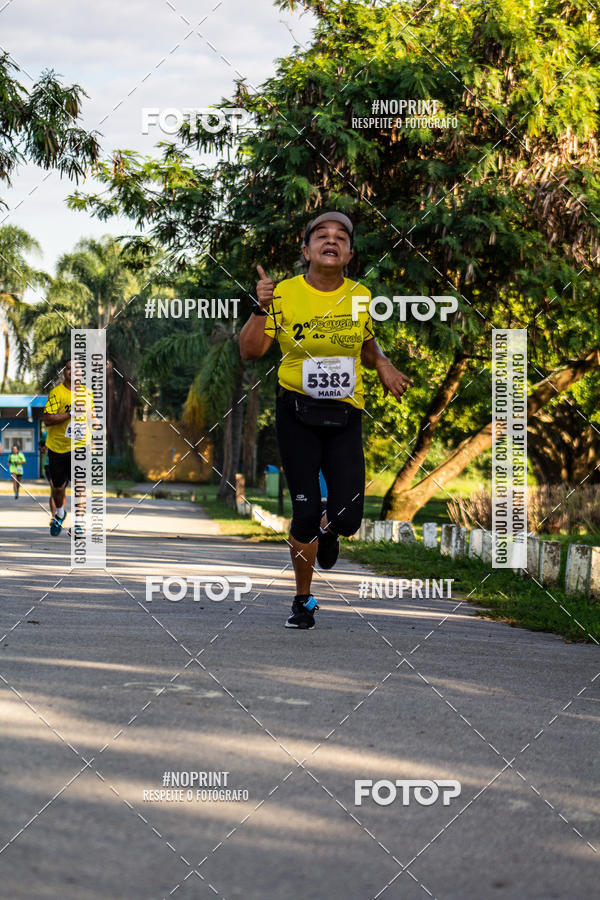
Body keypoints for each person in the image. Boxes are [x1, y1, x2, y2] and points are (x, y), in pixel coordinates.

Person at [239, 211, 413, 629]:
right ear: (306, 250)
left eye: (340, 237)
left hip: (345, 414)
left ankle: (328, 526)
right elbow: (250, 351)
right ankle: (303, 600)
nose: (330, 241)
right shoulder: (281, 294)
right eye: (321, 235)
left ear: (350, 253)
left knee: (348, 518)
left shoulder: (360, 295)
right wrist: (260, 307)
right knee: (302, 510)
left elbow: (367, 346)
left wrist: (384, 363)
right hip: (296, 411)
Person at [42, 360, 95, 536]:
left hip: (80, 445)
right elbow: (48, 420)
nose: (73, 371)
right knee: (58, 488)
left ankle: (79, 523)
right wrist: (70, 414)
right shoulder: (56, 393)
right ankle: (60, 513)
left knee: (80, 485)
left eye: (77, 369)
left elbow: (93, 416)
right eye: (69, 368)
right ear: (64, 372)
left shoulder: (88, 394)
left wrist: (95, 422)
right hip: (58, 447)